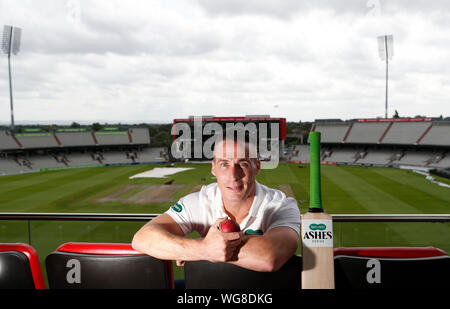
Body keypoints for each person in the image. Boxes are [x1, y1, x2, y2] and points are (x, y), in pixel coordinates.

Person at [132, 132, 301, 272]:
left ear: (257, 166)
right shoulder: (199, 201)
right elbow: (142, 238)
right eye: (224, 164)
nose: (233, 176)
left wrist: (193, 250)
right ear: (213, 168)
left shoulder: (281, 205)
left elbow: (269, 257)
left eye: (242, 163)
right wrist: (203, 249)